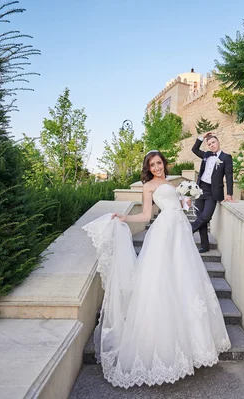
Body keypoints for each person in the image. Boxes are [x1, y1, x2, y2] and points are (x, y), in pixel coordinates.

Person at [83, 150, 230, 389]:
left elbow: (180, 206)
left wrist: (186, 200)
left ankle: (195, 345)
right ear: (148, 168)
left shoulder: (172, 182)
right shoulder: (148, 186)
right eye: (152, 165)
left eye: (159, 163)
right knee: (162, 279)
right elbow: (144, 214)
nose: (157, 167)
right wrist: (123, 218)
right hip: (163, 232)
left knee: (184, 276)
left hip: (180, 230)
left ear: (164, 164)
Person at [191, 132, 234, 253]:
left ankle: (189, 229)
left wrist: (229, 194)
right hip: (200, 190)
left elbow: (229, 176)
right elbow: (194, 149)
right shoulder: (206, 155)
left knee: (206, 216)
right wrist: (202, 137)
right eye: (209, 144)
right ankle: (205, 246)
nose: (211, 145)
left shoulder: (226, 157)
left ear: (218, 142)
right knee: (201, 217)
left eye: (213, 142)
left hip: (213, 192)